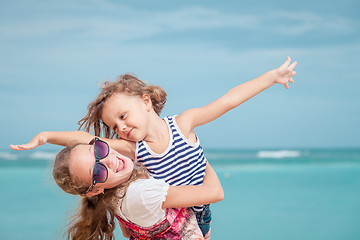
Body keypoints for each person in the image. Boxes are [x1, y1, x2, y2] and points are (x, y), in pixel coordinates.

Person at [11, 56, 297, 237]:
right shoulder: (134, 150)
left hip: (200, 210)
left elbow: (228, 100)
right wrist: (48, 136)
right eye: (114, 126)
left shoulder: (184, 123)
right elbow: (88, 142)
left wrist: (271, 78)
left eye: (123, 116)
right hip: (176, 214)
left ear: (146, 101)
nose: (120, 128)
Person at [52, 137, 223, 239]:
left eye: (98, 149)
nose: (110, 160)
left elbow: (128, 233)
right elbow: (215, 193)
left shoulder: (113, 195)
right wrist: (196, 154)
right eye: (96, 171)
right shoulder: (140, 194)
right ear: (95, 190)